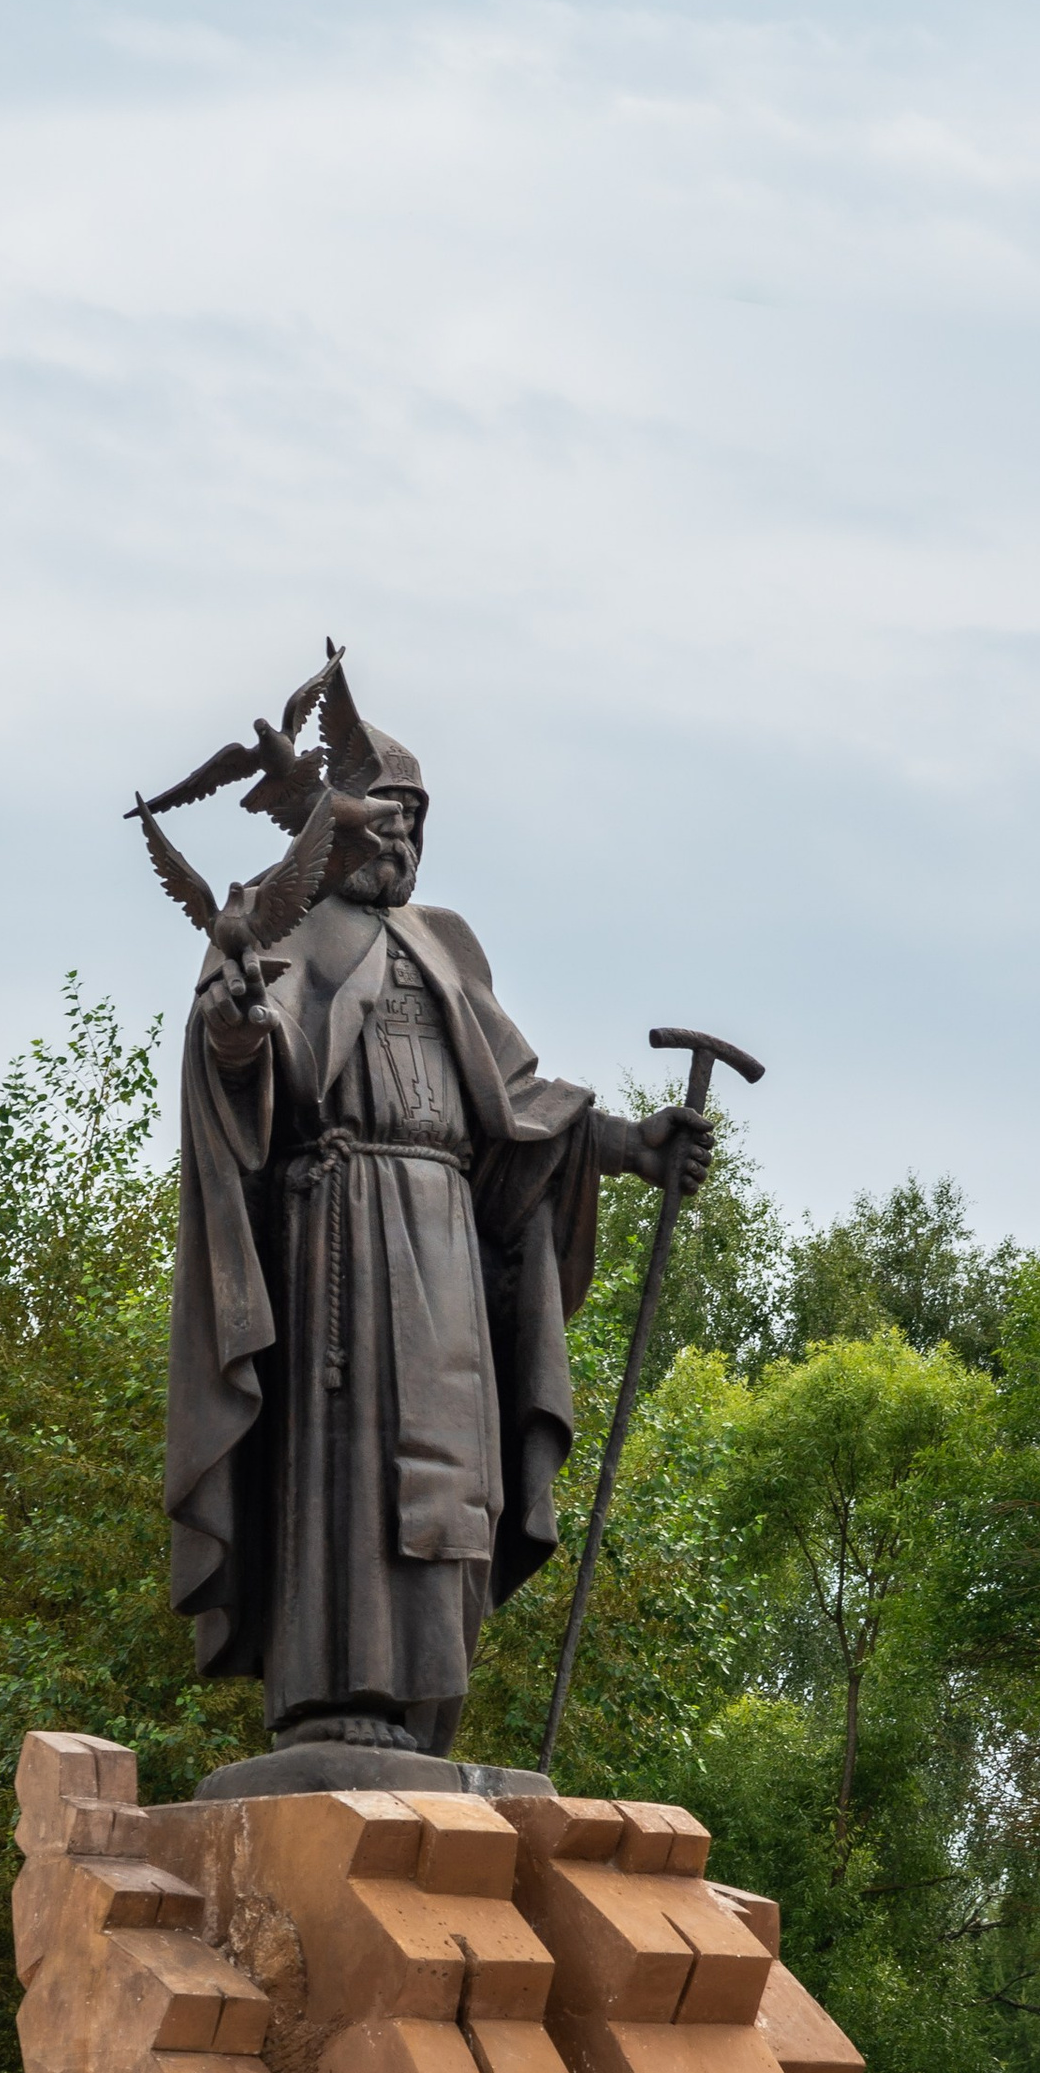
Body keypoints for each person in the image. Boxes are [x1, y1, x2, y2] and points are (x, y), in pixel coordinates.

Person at [162, 661, 711, 1761]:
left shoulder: (446, 946)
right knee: (358, 1467)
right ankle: (340, 1689)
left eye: (415, 826)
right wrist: (232, 1033)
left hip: (450, 1237)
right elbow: (238, 1065)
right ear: (332, 830)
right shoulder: (293, 935)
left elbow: (515, 1111)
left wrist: (628, 1148)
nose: (401, 847)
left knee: (459, 1469)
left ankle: (428, 1700)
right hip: (344, 1234)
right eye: (382, 824)